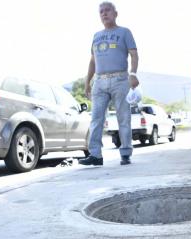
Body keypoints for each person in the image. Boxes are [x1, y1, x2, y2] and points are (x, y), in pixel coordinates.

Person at [79, 1, 139, 166]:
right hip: (99, 80)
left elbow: (134, 54)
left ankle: (126, 152)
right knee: (96, 118)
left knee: (123, 117)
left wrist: (133, 74)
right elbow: (92, 61)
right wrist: (87, 82)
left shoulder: (124, 32)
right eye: (101, 12)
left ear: (115, 13)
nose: (104, 14)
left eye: (107, 10)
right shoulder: (96, 36)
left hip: (120, 79)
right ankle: (95, 155)